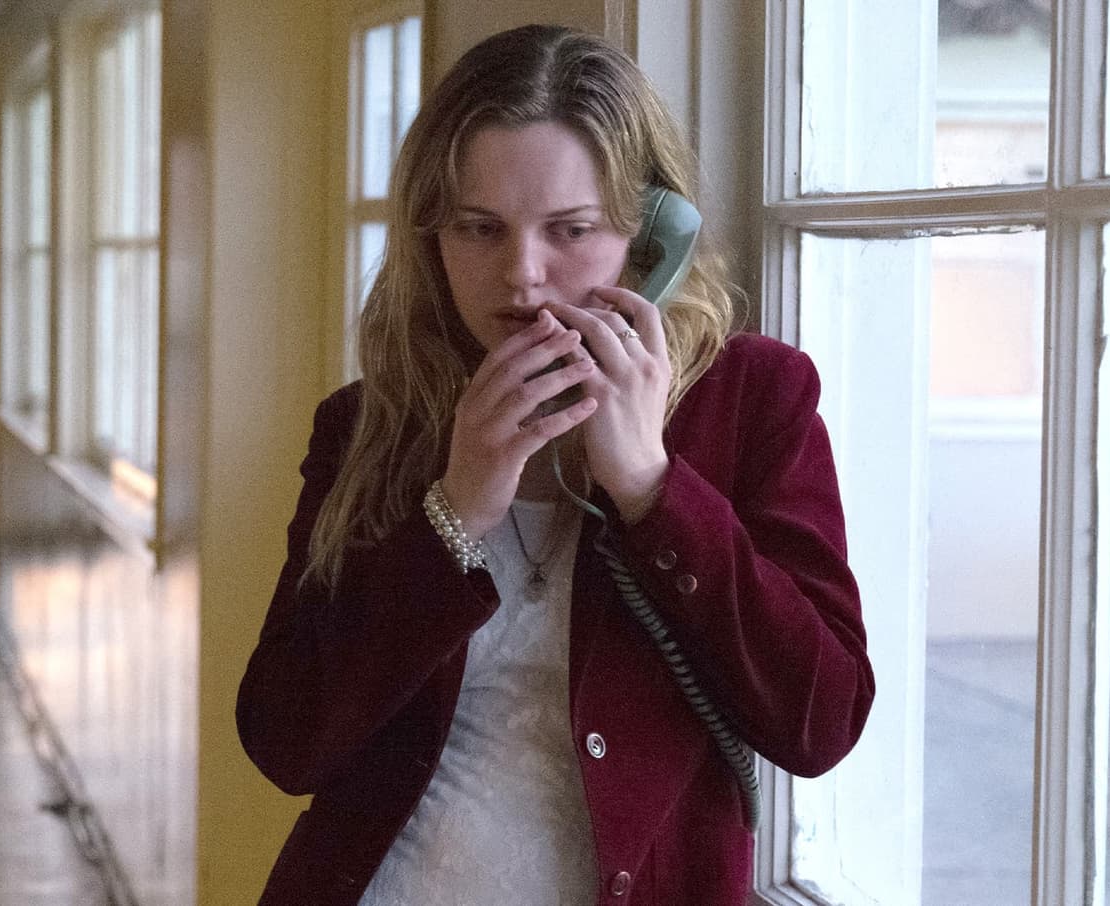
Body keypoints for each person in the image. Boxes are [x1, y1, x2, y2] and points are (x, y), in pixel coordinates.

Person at [236, 24, 874, 906]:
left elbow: (821, 719)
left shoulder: (752, 400)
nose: (522, 276)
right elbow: (284, 741)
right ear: (432, 236)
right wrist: (454, 512)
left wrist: (654, 489)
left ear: (654, 234)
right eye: (479, 229)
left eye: (570, 230)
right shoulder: (366, 426)